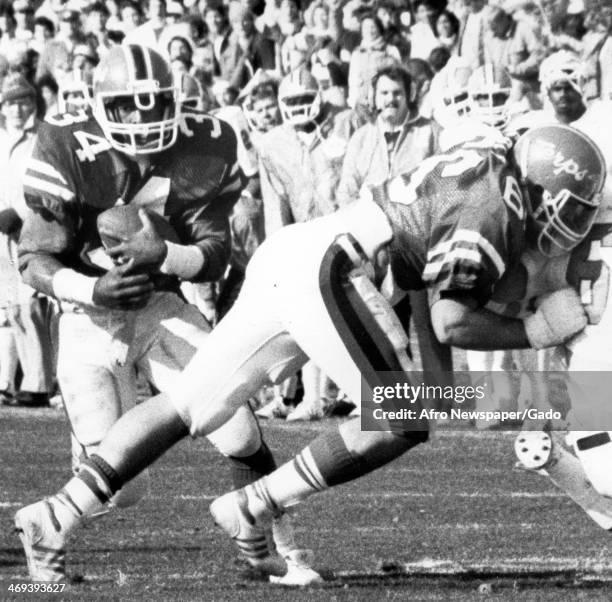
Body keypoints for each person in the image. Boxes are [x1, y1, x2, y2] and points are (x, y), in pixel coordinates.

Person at [15, 121, 605, 581]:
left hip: (296, 253)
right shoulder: (495, 211)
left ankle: (55, 516)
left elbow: (427, 287)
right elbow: (452, 322)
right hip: (332, 270)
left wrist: (440, 388)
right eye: (573, 204)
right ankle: (252, 503)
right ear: (538, 185)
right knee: (404, 415)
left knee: (189, 406)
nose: (574, 219)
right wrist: (534, 331)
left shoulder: (485, 161)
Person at [14, 44, 319, 585]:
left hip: (160, 303)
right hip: (88, 315)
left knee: (237, 422)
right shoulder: (65, 140)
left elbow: (216, 255)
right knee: (126, 490)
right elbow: (32, 257)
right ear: (100, 104)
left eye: (155, 104)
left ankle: (273, 554)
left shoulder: (206, 141)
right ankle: (56, 515)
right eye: (129, 107)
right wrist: (93, 290)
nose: (144, 119)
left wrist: (167, 256)